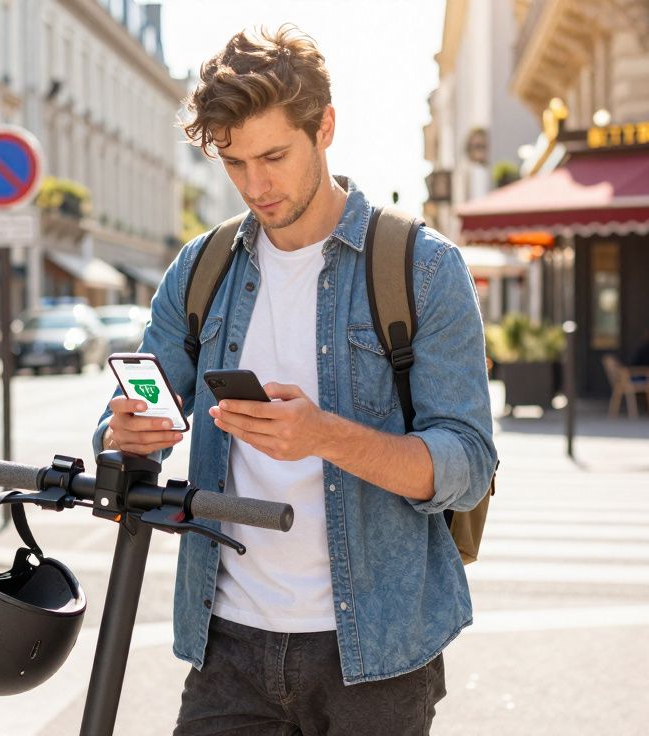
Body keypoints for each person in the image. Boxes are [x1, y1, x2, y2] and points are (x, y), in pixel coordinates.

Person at [91, 26, 496, 735]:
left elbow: (466, 464)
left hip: (377, 653)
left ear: (325, 127)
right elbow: (132, 425)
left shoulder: (423, 269)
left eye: (274, 156)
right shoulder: (201, 268)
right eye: (235, 162)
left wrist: (325, 436)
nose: (255, 185)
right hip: (229, 646)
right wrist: (128, 433)